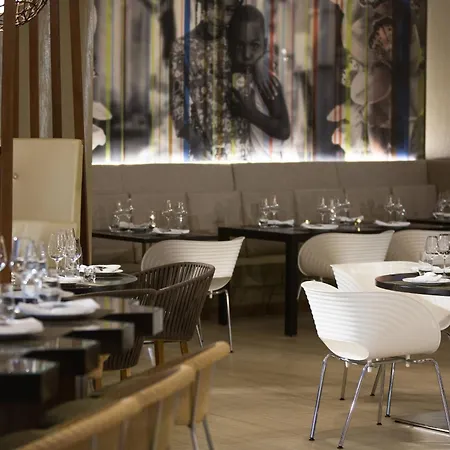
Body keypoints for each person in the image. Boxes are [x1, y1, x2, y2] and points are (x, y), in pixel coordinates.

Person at [169, 0, 251, 161]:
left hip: (238, 145)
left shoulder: (238, 44)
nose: (222, 15)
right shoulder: (183, 48)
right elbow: (177, 102)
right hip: (204, 145)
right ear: (205, 6)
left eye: (229, 10)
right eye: (216, 6)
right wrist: (194, 140)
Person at [228, 4, 291, 161]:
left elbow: (284, 130)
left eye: (254, 46)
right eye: (240, 46)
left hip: (267, 165)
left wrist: (250, 113)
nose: (247, 54)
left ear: (264, 45)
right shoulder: (237, 76)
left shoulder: (266, 82)